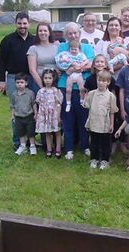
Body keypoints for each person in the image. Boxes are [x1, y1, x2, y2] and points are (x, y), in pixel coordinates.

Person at [0, 12, 35, 149]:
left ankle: (31, 140)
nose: (22, 26)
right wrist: (1, 80)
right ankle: (17, 141)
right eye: (19, 23)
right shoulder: (8, 40)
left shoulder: (34, 40)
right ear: (16, 24)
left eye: (25, 23)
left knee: (32, 108)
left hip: (31, 78)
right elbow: (0, 61)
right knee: (17, 109)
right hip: (13, 78)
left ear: (29, 24)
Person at [56, 22, 94, 160]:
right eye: (70, 33)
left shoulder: (87, 48)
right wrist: (68, 68)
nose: (73, 36)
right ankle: (69, 148)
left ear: (79, 33)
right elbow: (60, 63)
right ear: (66, 35)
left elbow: (91, 64)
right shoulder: (62, 47)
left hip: (83, 87)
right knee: (67, 118)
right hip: (65, 87)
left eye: (75, 33)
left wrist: (77, 68)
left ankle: (85, 146)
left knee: (83, 118)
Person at [84, 70, 118, 170]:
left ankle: (104, 160)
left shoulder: (111, 96)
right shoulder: (91, 94)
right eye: (99, 80)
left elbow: (112, 111)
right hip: (94, 122)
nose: (101, 83)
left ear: (108, 82)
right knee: (93, 142)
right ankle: (94, 159)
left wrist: (111, 124)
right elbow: (89, 108)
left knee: (105, 143)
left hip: (105, 124)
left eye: (104, 81)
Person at [55, 39, 90, 112]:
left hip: (79, 75)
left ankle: (82, 100)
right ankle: (68, 103)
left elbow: (87, 61)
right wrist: (70, 65)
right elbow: (63, 62)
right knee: (68, 90)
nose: (73, 51)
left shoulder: (81, 55)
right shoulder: (67, 55)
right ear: (69, 49)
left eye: (75, 49)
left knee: (82, 88)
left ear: (79, 49)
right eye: (72, 49)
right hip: (70, 75)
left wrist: (83, 64)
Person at [35, 69, 63, 158]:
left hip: (54, 114)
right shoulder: (41, 91)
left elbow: (59, 104)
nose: (47, 80)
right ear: (42, 79)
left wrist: (58, 116)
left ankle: (58, 149)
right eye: (45, 78)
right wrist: (38, 115)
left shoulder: (56, 91)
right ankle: (49, 149)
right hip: (45, 115)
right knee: (47, 132)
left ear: (53, 79)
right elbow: (38, 103)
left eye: (49, 78)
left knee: (57, 132)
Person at [10, 73, 37, 156]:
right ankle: (23, 146)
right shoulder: (14, 94)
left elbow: (34, 104)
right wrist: (12, 115)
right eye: (17, 82)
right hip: (18, 117)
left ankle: (32, 146)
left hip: (29, 116)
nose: (19, 84)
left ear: (26, 83)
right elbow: (12, 106)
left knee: (30, 132)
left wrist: (36, 113)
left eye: (21, 82)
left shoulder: (30, 93)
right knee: (21, 132)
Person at [27, 22, 59, 93]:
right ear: (37, 33)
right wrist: (43, 87)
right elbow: (32, 71)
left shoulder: (57, 47)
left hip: (55, 81)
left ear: (49, 33)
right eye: (40, 31)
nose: (42, 33)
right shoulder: (33, 48)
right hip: (39, 81)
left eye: (45, 31)